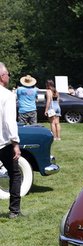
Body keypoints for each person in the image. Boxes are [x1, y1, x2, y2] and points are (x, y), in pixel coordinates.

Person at [0, 62, 23, 218]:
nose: (9, 76)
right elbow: (9, 121)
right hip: (3, 142)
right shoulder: (7, 95)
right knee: (15, 174)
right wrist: (15, 142)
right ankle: (14, 210)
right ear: (2, 76)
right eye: (7, 74)